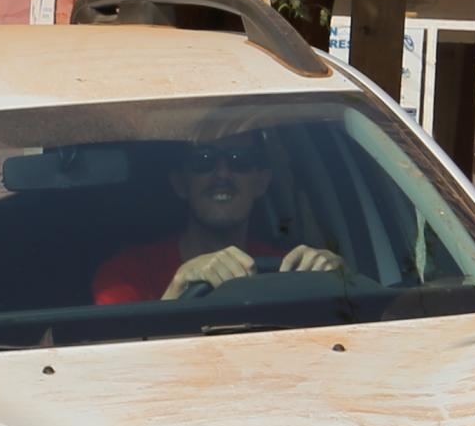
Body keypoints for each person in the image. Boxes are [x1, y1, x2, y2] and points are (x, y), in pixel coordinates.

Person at [90, 128, 345, 303]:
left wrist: (342, 286)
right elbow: (116, 368)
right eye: (203, 160)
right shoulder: (126, 275)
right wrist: (176, 294)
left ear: (261, 182)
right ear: (180, 183)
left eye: (239, 160)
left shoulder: (290, 269)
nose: (222, 174)